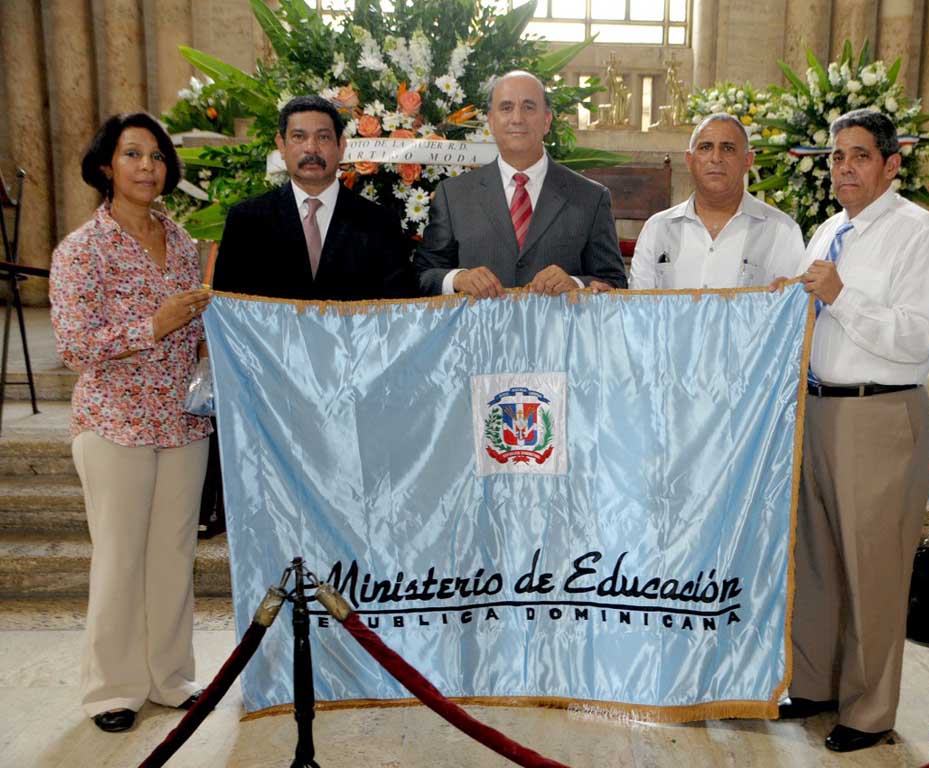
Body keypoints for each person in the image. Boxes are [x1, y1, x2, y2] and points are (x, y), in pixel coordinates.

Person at [775, 109, 929, 753]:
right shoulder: (828, 231)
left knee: (874, 569)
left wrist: (841, 295)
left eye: (859, 155)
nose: (844, 167)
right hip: (819, 408)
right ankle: (816, 684)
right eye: (837, 156)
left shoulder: (917, 231)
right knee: (819, 561)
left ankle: (871, 711)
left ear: (891, 164)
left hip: (878, 413)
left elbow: (917, 336)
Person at [50, 113, 213, 733]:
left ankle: (170, 678)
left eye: (157, 156)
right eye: (133, 154)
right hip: (114, 422)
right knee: (119, 559)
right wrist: (154, 325)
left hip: (182, 422)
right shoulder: (81, 249)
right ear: (105, 167)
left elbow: (195, 328)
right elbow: (73, 346)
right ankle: (112, 690)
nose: (148, 166)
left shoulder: (183, 242)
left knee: (173, 555)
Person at [413, 70, 626, 297]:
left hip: (559, 321)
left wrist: (576, 284)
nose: (517, 118)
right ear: (491, 121)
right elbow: (421, 276)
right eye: (506, 107)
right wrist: (457, 279)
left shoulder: (590, 197)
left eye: (529, 107)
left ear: (547, 120)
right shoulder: (453, 195)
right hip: (478, 321)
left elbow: (616, 283)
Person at [213, 94, 415, 300]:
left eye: (323, 137)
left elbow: (398, 308)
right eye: (298, 137)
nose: (311, 148)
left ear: (341, 146)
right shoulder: (247, 221)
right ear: (281, 145)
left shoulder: (380, 223)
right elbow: (228, 307)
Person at [629, 112, 804, 289]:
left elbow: (793, 303)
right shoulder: (657, 229)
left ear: (747, 161)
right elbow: (638, 303)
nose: (716, 158)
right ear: (689, 160)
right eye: (705, 147)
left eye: (728, 148)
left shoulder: (781, 232)